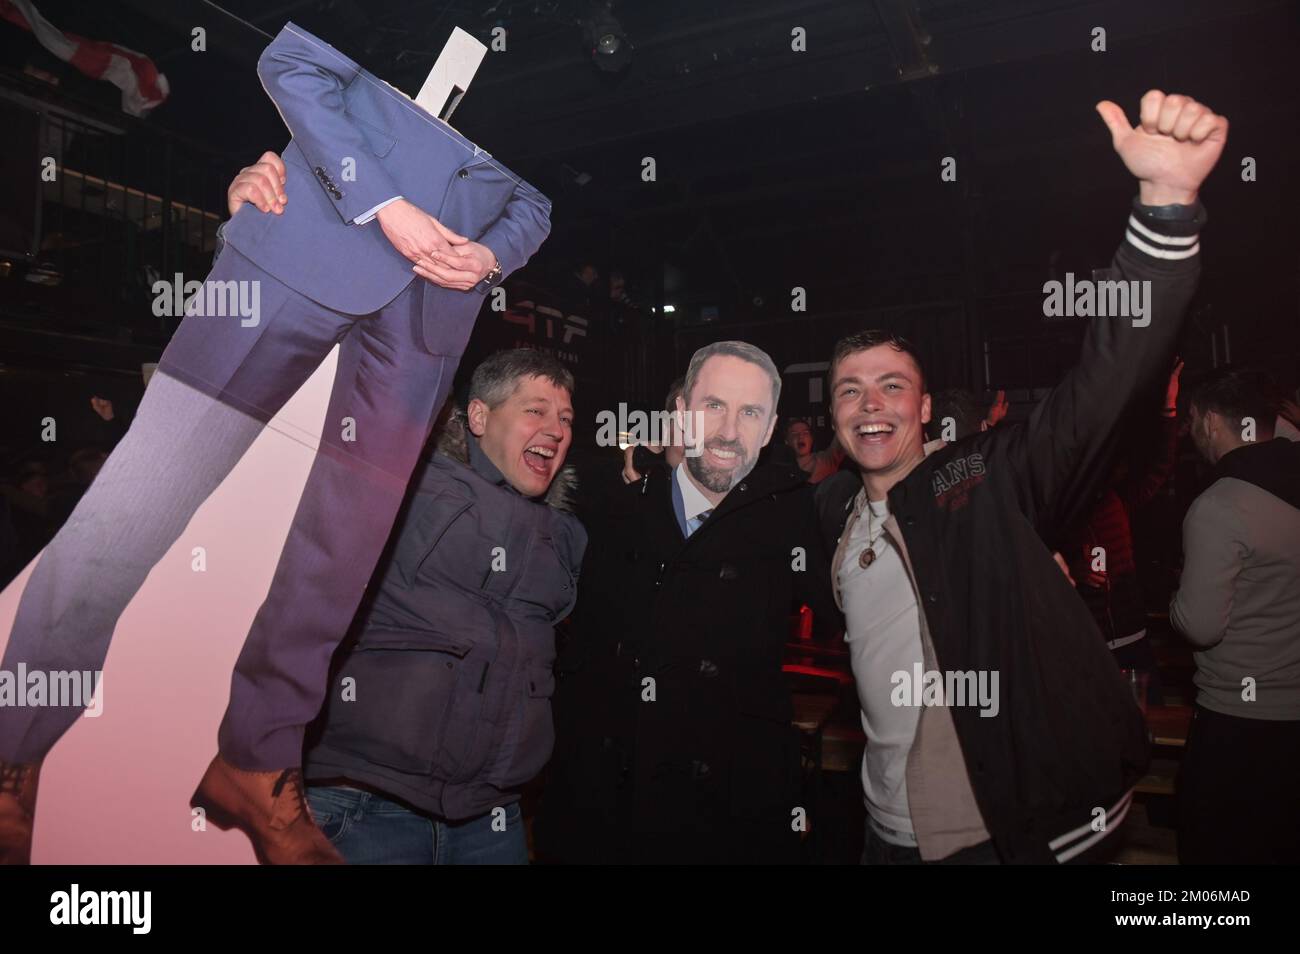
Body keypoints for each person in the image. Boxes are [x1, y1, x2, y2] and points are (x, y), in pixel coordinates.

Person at [0, 22, 551, 865]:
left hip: (433, 313)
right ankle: (13, 746)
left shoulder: (553, 44)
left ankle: (255, 763)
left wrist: (489, 258)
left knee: (341, 559)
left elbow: (537, 201)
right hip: (304, 236)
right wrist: (383, 205)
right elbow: (290, 60)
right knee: (137, 500)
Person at [816, 89, 1225, 864]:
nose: (870, 405)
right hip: (885, 832)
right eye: (849, 390)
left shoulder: (981, 482)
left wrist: (1165, 211)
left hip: (1003, 832)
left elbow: (1099, 394)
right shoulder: (836, 514)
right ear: (834, 416)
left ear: (927, 407)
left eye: (891, 386)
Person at [537, 341, 838, 864]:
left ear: (769, 431)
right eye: (713, 406)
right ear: (681, 414)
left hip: (730, 814)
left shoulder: (795, 521)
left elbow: (853, 614)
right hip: (610, 816)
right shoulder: (607, 514)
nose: (727, 431)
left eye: (750, 413)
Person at [298, 349, 585, 864]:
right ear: (478, 416)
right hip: (365, 806)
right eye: (535, 410)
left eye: (565, 418)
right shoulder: (405, 488)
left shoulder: (561, 539)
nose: (556, 428)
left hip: (490, 818)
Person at [1170, 368, 1300, 864]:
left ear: (1205, 421)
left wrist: (1181, 597)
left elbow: (1201, 625)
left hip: (1241, 725)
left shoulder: (1221, 505)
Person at [1062, 360, 1184, 703]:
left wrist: (1168, 408)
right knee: (1095, 732)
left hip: (1133, 637)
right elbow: (1033, 566)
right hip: (1087, 643)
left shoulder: (1116, 499)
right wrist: (1075, 570)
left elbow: (1159, 466)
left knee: (1147, 724)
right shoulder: (1056, 510)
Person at [783, 419, 844, 483]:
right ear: (786, 441)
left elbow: (843, 433)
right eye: (794, 434)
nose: (800, 436)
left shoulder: (825, 460)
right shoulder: (781, 469)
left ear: (811, 439)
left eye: (805, 432)